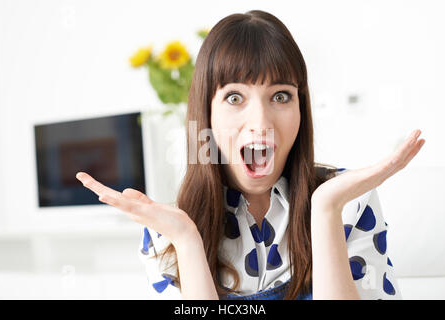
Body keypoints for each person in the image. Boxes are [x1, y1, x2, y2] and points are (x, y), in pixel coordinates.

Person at [76, 10, 425, 300]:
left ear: (301, 110)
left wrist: (326, 210)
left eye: (281, 96)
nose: (260, 122)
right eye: (234, 98)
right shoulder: (166, 230)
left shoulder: (351, 200)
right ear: (207, 115)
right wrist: (186, 240)